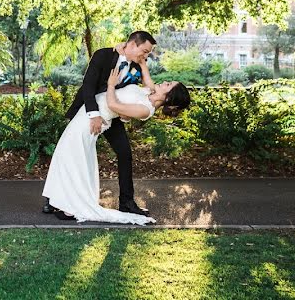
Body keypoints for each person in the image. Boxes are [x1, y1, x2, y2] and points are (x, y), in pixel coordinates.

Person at [41, 54, 191, 223]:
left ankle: (75, 203)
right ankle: (57, 199)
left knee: (76, 156)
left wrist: (111, 85)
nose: (164, 82)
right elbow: (142, 65)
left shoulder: (146, 109)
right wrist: (123, 51)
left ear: (169, 98)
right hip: (90, 112)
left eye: (169, 84)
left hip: (98, 117)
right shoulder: (150, 91)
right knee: (69, 154)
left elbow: (113, 105)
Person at [43, 30, 157, 217]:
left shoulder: (136, 68)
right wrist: (93, 114)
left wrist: (143, 66)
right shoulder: (104, 55)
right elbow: (88, 84)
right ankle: (51, 200)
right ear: (133, 44)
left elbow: (147, 91)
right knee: (69, 151)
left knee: (125, 153)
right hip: (88, 110)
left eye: (148, 53)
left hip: (112, 115)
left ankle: (126, 203)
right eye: (144, 51)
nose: (145, 56)